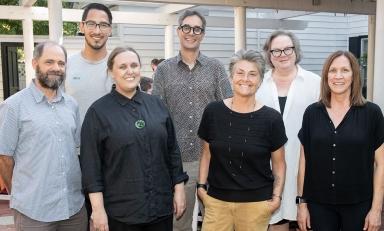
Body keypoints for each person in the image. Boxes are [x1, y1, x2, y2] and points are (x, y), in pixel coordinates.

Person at [80, 46, 188, 231]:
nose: (129, 71)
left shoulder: (157, 105)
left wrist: (179, 190)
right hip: (121, 214)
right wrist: (97, 210)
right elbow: (91, 167)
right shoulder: (98, 112)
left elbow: (172, 151)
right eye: (122, 67)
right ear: (111, 72)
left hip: (160, 209)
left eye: (134, 65)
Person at [153, 10, 232, 231]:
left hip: (213, 159)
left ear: (203, 34)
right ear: (178, 31)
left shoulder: (216, 68)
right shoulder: (163, 70)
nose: (191, 33)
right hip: (178, 162)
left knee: (216, 222)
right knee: (179, 222)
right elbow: (157, 115)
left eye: (197, 29)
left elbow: (229, 107)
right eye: (186, 28)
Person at [0, 41, 87, 231]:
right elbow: (4, 158)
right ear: (34, 64)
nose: (56, 68)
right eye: (49, 62)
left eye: (61, 63)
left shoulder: (72, 105)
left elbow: (76, 151)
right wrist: (19, 194)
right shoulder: (13, 106)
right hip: (33, 211)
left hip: (73, 209)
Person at [197, 49, 287, 231]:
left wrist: (276, 198)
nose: (245, 79)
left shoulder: (272, 118)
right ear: (231, 77)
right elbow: (206, 154)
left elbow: (279, 164)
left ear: (260, 80)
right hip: (216, 203)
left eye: (252, 74)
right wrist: (200, 188)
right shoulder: (213, 111)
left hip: (256, 206)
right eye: (240, 73)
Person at [297, 50, 384, 231]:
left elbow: (382, 164)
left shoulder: (372, 113)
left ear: (354, 75)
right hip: (319, 205)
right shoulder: (312, 113)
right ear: (326, 75)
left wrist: (376, 209)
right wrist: (302, 204)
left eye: (344, 70)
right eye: (332, 70)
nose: (338, 76)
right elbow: (304, 162)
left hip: (359, 205)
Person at [256, 30, 320, 230]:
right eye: (276, 51)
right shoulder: (258, 83)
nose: (282, 54)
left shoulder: (315, 83)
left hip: (304, 165)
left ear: (296, 50)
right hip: (264, 168)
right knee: (275, 220)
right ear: (269, 55)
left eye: (287, 49)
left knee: (308, 220)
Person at [65, 3, 113, 122]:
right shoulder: (66, 66)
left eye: (103, 25)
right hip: (74, 140)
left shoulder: (121, 67)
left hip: (112, 140)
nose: (97, 31)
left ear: (110, 30)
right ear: (82, 26)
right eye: (91, 24)